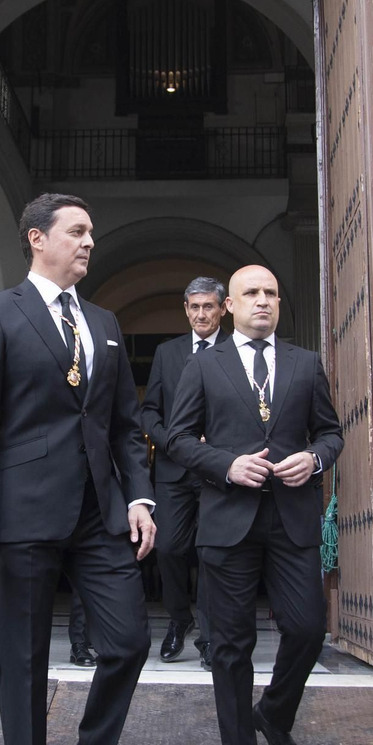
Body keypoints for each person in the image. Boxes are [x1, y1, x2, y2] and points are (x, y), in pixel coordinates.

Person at [0, 192, 156, 745]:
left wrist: (139, 499)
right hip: (22, 510)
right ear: (37, 239)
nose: (88, 241)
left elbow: (125, 425)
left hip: (99, 512)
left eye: (91, 231)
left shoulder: (103, 323)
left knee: (127, 641)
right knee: (24, 662)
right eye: (76, 231)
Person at [165, 265, 342, 745]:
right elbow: (175, 437)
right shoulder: (204, 365)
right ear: (229, 307)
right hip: (228, 521)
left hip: (291, 519)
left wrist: (314, 459)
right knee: (231, 647)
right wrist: (225, 465)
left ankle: (274, 715)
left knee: (308, 628)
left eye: (271, 293)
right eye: (252, 294)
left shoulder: (305, 364)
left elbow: (331, 432)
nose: (263, 301)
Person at [142, 277, 226, 668]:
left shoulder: (236, 350)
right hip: (174, 469)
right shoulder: (167, 352)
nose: (200, 314)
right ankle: (179, 620)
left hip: (220, 470)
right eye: (194, 307)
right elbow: (150, 411)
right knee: (169, 548)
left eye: (208, 306)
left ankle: (210, 636)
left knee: (212, 552)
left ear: (223, 309)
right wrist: (174, 442)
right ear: (186, 309)